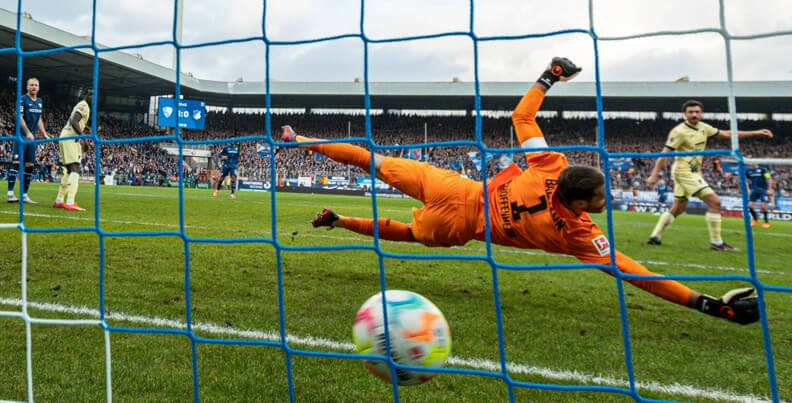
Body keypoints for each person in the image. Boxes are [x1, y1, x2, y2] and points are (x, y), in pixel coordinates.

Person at [284, 58, 759, 325]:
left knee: (370, 160)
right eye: (600, 199)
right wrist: (706, 303)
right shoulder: (578, 234)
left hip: (455, 187)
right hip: (461, 224)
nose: (606, 201)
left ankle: (299, 140)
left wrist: (549, 76)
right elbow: (637, 274)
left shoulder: (551, 164)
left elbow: (522, 117)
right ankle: (341, 220)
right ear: (580, 204)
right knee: (407, 233)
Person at [644, 102, 773, 251]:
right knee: (715, 202)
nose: (694, 114)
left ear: (701, 113)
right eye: (691, 112)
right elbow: (664, 154)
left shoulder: (704, 127)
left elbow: (727, 134)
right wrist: (654, 175)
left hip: (692, 172)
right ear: (685, 114)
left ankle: (655, 236)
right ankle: (717, 242)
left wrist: (756, 132)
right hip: (684, 172)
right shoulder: (679, 131)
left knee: (678, 208)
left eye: (697, 112)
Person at [9, 77, 51, 204]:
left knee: (30, 166)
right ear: (27, 87)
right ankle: (10, 194)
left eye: (36, 85)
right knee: (16, 163)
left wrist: (44, 134)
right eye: (31, 85)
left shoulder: (39, 101)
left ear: (39, 88)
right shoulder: (22, 99)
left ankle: (24, 195)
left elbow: (39, 119)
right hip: (21, 136)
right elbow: (20, 117)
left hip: (32, 139)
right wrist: (27, 132)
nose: (34, 87)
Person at [55, 88, 92, 211]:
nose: (93, 98)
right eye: (91, 95)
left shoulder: (83, 105)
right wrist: (84, 139)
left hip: (67, 137)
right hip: (70, 139)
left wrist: (85, 127)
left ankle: (59, 200)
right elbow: (74, 120)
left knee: (69, 170)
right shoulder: (84, 105)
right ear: (86, 95)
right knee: (75, 168)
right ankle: (70, 202)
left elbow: (76, 121)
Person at [745, 163, 774, 228]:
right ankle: (755, 219)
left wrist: (769, 189)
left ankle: (766, 222)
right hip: (754, 190)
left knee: (763, 206)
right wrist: (748, 189)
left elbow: (769, 178)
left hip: (762, 190)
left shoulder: (763, 169)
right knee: (749, 206)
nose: (751, 164)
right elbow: (746, 180)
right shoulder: (748, 171)